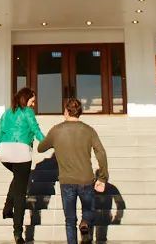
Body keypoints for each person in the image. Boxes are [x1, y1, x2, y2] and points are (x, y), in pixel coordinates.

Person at [37, 98, 108, 244]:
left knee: (70, 220)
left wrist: (53, 141)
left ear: (66, 111)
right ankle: (86, 223)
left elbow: (41, 148)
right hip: (86, 179)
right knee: (88, 211)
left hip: (67, 181)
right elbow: (101, 153)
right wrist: (102, 177)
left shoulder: (57, 130)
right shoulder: (89, 130)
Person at [0, 87, 45, 244]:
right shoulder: (28, 112)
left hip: (5, 154)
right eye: (32, 101)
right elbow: (36, 129)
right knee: (20, 193)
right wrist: (49, 144)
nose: (33, 105)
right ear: (26, 99)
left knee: (18, 178)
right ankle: (18, 232)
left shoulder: (6, 113)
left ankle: (7, 208)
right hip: (21, 153)